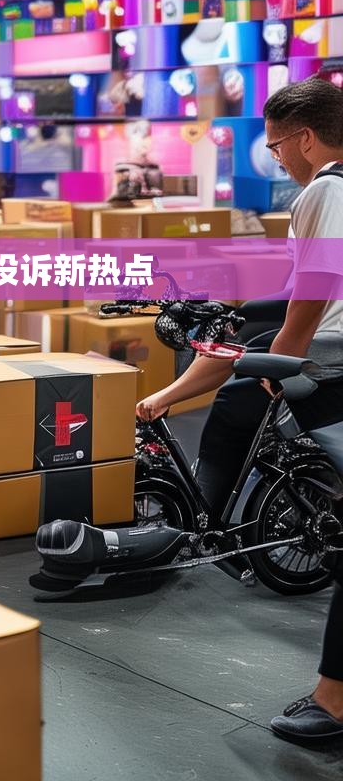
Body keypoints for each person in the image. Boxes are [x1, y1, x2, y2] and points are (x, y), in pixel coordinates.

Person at [136, 76, 343, 744]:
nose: (277, 158)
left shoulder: (325, 191)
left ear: (304, 139)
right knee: (240, 347)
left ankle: (333, 700)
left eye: (276, 146)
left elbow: (312, 293)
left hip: (330, 368)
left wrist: (282, 364)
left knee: (241, 378)